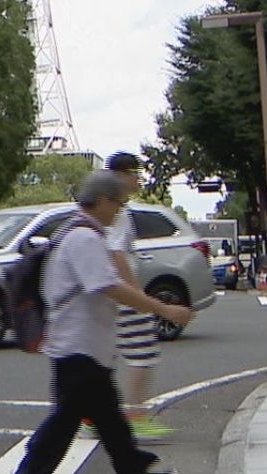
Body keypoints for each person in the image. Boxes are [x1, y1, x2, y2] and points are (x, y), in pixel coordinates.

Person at [17, 170, 193, 474]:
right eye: (118, 204)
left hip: (85, 348)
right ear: (101, 200)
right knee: (63, 424)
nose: (119, 211)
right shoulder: (84, 238)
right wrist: (162, 309)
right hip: (78, 347)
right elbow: (107, 286)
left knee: (109, 419)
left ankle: (132, 465)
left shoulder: (76, 232)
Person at [104, 151, 171, 438]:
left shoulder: (107, 204)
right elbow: (117, 254)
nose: (138, 179)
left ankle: (93, 416)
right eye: (135, 174)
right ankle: (136, 417)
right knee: (143, 352)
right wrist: (137, 294)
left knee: (104, 354)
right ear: (121, 176)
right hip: (121, 292)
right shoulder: (117, 209)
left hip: (106, 292)